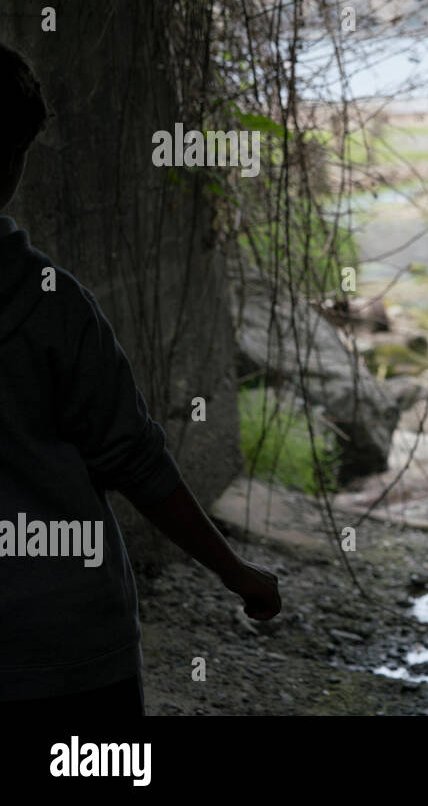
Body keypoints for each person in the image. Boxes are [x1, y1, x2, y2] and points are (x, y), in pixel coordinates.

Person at [0, 41, 280, 716]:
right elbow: (136, 460)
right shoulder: (50, 305)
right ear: (11, 163)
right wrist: (235, 572)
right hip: (69, 646)